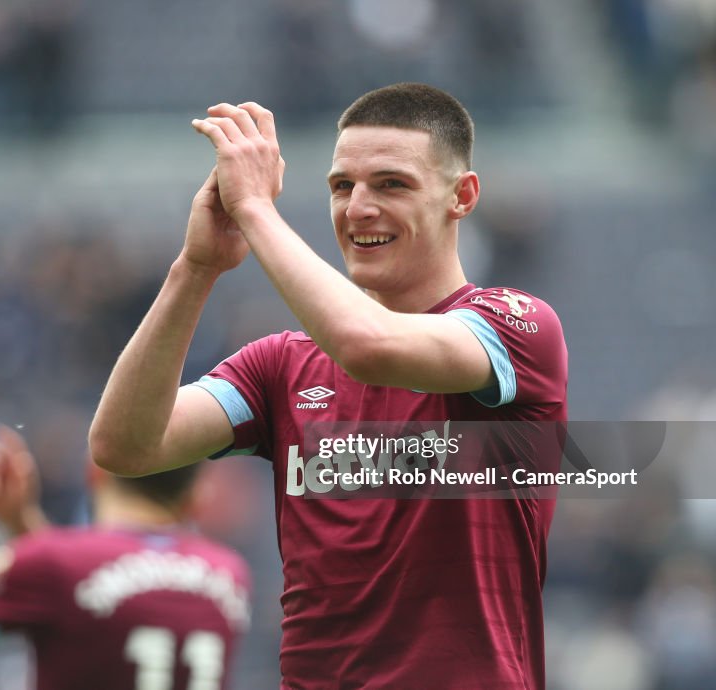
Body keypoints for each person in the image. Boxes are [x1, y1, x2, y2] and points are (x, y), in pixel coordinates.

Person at [89, 83, 568, 689]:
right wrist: (197, 268)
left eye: (391, 184)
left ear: (462, 196)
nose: (358, 208)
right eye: (342, 186)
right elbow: (125, 448)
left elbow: (370, 346)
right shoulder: (282, 364)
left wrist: (258, 212)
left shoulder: (514, 326)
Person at [0, 425, 251, 690]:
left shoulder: (52, 563)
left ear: (94, 472)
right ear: (196, 498)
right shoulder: (228, 574)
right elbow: (87, 593)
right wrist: (22, 522)